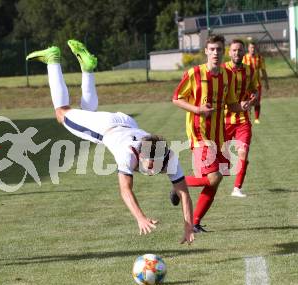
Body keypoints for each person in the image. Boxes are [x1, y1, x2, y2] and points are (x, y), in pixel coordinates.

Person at [26, 39, 195, 244]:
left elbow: (184, 193)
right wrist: (140, 218)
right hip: (106, 128)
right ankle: (53, 60)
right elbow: (125, 190)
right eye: (151, 165)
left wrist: (188, 227)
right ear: (140, 155)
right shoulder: (128, 156)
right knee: (62, 113)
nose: (153, 169)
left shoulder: (167, 156)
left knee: (86, 113)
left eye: (157, 165)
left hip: (127, 123)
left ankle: (87, 69)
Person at [172, 35, 255, 233]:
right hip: (200, 135)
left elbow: (232, 104)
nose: (216, 53)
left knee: (216, 181)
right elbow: (176, 98)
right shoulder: (194, 73)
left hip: (219, 136)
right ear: (206, 51)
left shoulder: (228, 76)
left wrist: (243, 106)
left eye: (219, 49)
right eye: (212, 49)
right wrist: (197, 110)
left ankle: (195, 222)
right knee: (213, 177)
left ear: (222, 50)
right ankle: (178, 185)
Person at [223, 39, 258, 198]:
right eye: (234, 50)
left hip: (243, 121)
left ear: (244, 52)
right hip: (223, 121)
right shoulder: (222, 70)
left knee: (243, 153)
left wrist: (252, 100)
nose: (237, 53)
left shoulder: (250, 71)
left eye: (240, 50)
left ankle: (237, 188)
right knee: (221, 161)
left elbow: (255, 91)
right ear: (229, 52)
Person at [242, 42, 269, 124]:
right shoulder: (244, 58)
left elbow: (263, 71)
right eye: (251, 47)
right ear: (248, 48)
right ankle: (246, 117)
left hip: (257, 84)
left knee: (257, 101)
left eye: (254, 47)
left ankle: (257, 118)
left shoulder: (260, 58)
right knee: (247, 101)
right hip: (247, 85)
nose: (252, 49)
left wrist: (266, 82)